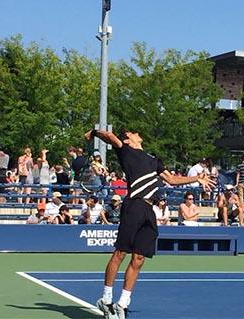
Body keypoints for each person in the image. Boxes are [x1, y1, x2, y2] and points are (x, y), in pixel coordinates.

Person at [85, 127, 214, 319]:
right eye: (131, 132)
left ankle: (123, 303)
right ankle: (106, 298)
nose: (136, 132)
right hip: (133, 206)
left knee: (139, 258)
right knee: (120, 253)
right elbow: (110, 136)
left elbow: (171, 179)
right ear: (127, 140)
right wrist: (94, 132)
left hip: (149, 209)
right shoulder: (125, 150)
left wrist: (197, 178)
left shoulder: (153, 160)